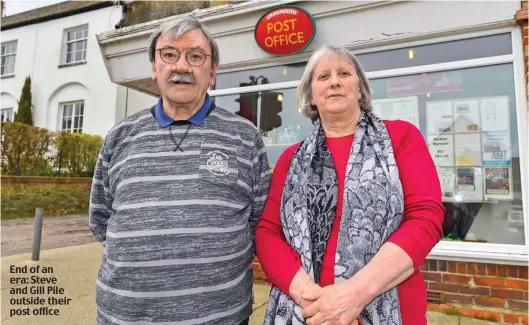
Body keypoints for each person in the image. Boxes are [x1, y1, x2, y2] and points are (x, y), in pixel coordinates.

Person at [89, 17, 271, 325]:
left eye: (196, 56)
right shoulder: (120, 136)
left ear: (212, 72)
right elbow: (101, 217)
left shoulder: (246, 137)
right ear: (154, 67)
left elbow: (257, 220)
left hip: (220, 317)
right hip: (124, 316)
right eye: (169, 54)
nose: (182, 66)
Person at [255, 45, 445, 325]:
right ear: (311, 96)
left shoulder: (400, 137)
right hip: (305, 312)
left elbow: (426, 217)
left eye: (344, 73)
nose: (334, 81)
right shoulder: (290, 159)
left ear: (359, 89)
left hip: (390, 307)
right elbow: (267, 231)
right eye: (323, 77)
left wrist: (353, 296)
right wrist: (317, 303)